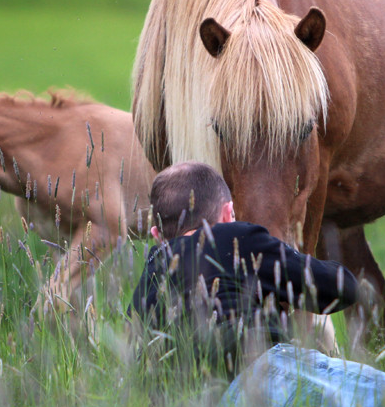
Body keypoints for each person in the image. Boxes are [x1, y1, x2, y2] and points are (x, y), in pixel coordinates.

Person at [130, 161, 359, 377]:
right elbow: (343, 288)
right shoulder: (237, 238)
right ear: (228, 213)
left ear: (156, 235)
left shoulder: (148, 279)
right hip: (265, 376)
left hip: (187, 400)